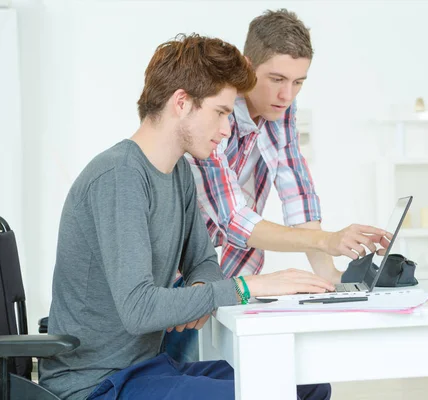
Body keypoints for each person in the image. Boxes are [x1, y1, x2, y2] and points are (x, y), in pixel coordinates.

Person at [39, 33, 333, 400]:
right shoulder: (119, 177)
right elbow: (139, 309)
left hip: (149, 369)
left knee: (308, 383)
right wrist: (246, 288)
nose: (227, 129)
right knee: (267, 394)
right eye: (221, 113)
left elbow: (204, 261)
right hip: (97, 384)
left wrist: (203, 287)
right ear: (182, 102)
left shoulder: (178, 173)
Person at [164, 9, 391, 363]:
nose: (287, 94)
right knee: (177, 372)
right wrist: (327, 240)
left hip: (232, 272)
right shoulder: (213, 112)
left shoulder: (281, 110)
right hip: (181, 277)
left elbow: (296, 191)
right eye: (277, 78)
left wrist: (331, 276)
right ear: (247, 65)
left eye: (299, 82)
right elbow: (234, 221)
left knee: (234, 375)